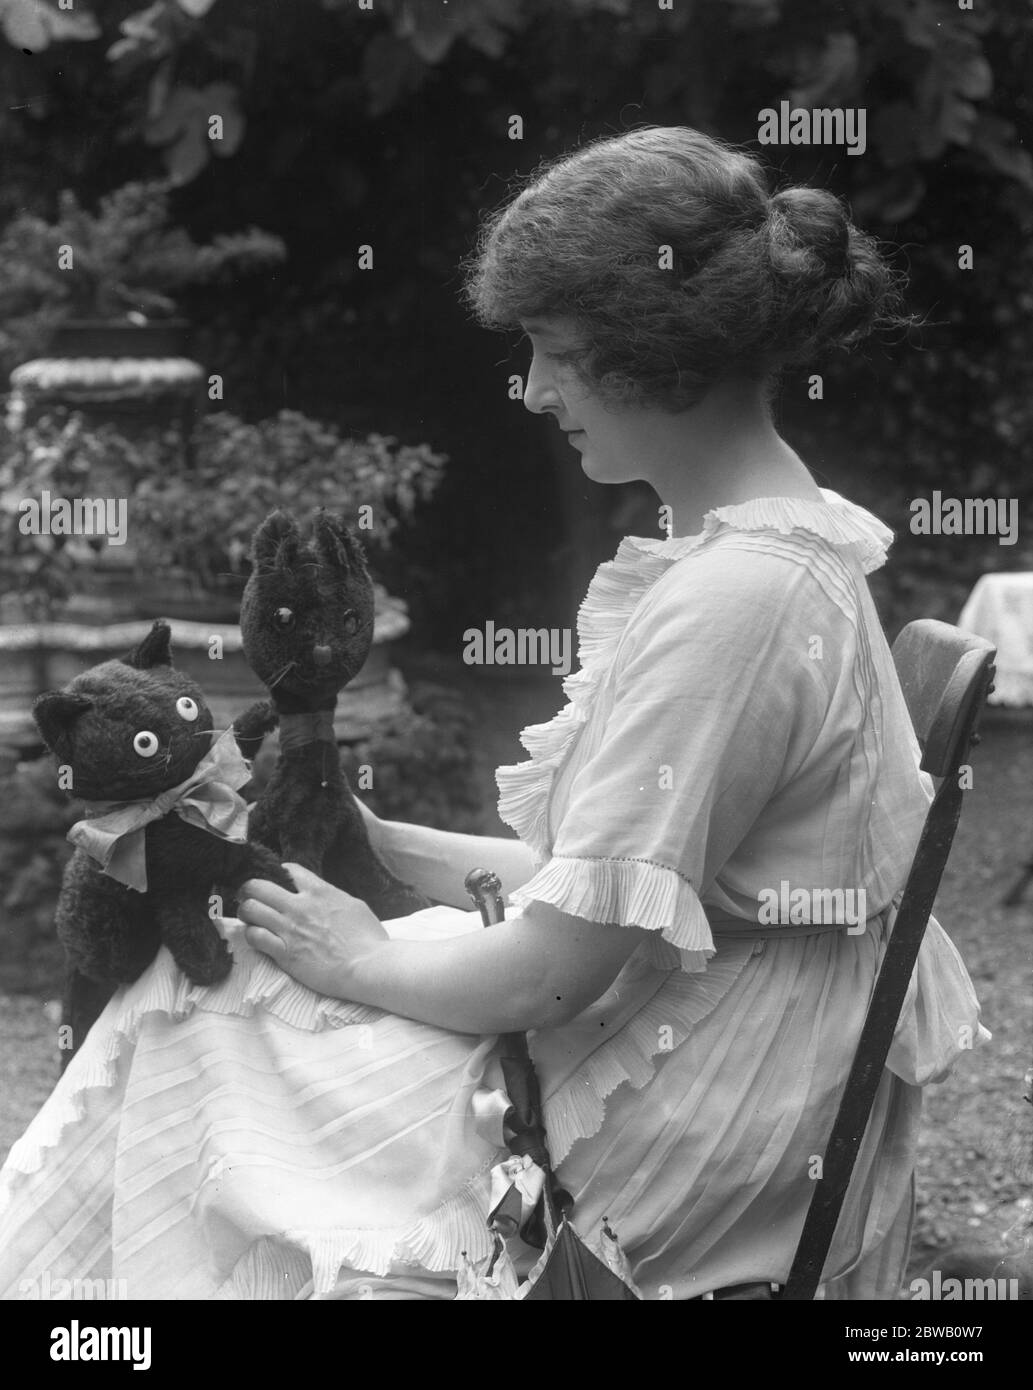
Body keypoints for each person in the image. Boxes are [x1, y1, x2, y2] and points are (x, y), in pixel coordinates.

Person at [0, 126, 987, 1301]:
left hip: (693, 1123)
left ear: (659, 349)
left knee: (191, 1034)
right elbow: (608, 880)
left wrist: (362, 952)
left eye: (555, 352)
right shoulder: (768, 550)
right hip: (699, 1039)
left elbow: (552, 973)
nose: (531, 390)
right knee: (215, 1001)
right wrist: (379, 845)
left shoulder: (739, 601)